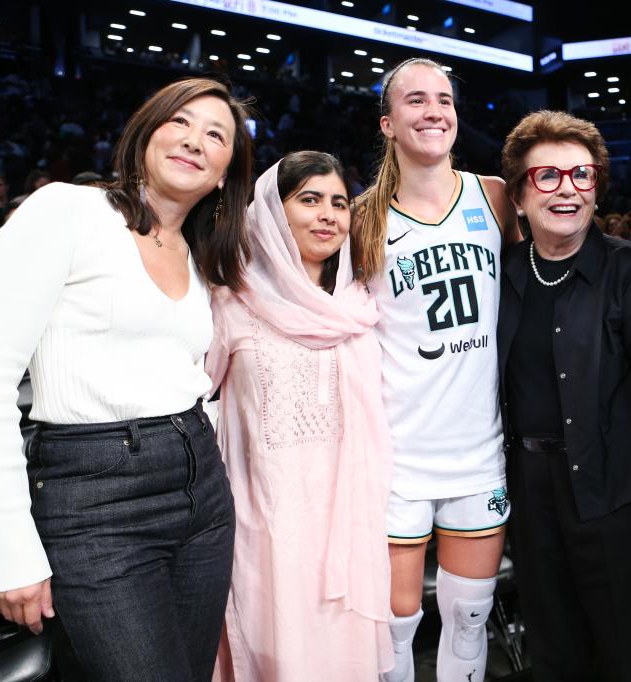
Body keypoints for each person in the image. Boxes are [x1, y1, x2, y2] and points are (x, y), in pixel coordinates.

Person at [0, 77, 253, 682]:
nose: (195, 140)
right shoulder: (67, 210)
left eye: (215, 134)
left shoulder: (199, 255)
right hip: (94, 502)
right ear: (146, 131)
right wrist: (12, 552)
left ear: (225, 173)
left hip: (201, 490)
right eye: (180, 121)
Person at [497, 109, 631, 681]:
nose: (568, 190)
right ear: (520, 193)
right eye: (547, 176)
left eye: (582, 175)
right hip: (530, 495)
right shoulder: (500, 274)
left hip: (619, 491)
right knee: (556, 655)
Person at [352, 56, 517, 682]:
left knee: (471, 619)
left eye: (443, 100)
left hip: (479, 449)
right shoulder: (361, 216)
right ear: (389, 123)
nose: (434, 112)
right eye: (416, 101)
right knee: (394, 630)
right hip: (397, 453)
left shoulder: (493, 196)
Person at [207, 152, 394, 681]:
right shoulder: (231, 303)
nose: (328, 215)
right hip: (263, 531)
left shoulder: (360, 306)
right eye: (309, 200)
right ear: (272, 211)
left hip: (349, 530)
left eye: (338, 202)